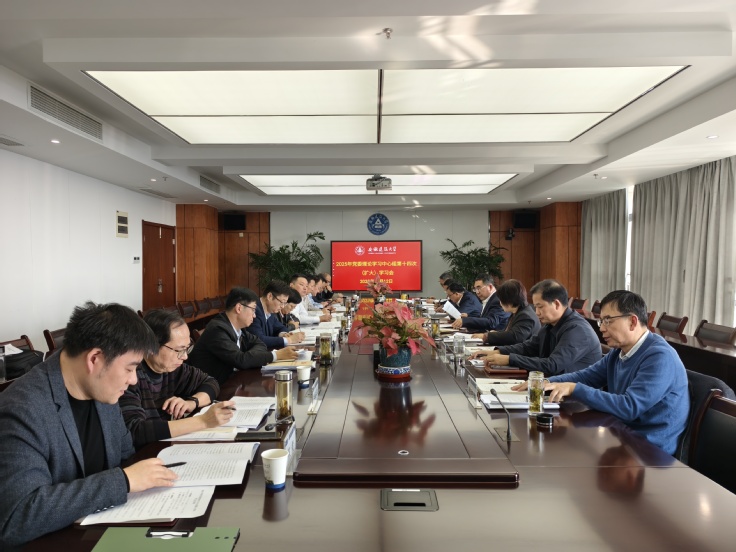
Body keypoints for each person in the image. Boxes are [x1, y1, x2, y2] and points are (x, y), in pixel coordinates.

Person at [0, 302, 180, 548]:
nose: (133, 380)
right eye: (130, 368)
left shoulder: (101, 389)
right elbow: (16, 516)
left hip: (100, 533)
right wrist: (122, 482)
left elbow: (125, 457)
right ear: (95, 358)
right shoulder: (23, 409)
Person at [514, 290, 689, 455]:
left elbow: (629, 407)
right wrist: (547, 382)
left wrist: (574, 389)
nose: (602, 328)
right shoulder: (619, 351)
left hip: (649, 452)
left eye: (608, 320)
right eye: (601, 321)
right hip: (621, 436)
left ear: (632, 321)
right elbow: (586, 376)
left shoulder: (660, 357)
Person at [119, 309, 235, 449]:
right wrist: (203, 421)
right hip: (144, 454)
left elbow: (211, 383)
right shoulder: (130, 376)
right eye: (179, 350)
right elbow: (135, 431)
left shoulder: (173, 368)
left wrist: (192, 402)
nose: (185, 356)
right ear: (151, 346)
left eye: (187, 348)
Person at [482, 279, 600, 376]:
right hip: (552, 384)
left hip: (574, 392)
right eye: (536, 307)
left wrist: (509, 359)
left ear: (556, 304)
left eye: (540, 307)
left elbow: (552, 365)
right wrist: (498, 351)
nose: (537, 312)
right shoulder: (550, 325)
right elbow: (528, 347)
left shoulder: (577, 329)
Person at [188, 287, 297, 385]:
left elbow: (259, 343)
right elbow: (241, 360)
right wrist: (276, 355)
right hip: (211, 389)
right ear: (239, 308)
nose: (254, 315)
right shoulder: (217, 330)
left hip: (231, 382)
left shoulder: (239, 328)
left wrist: (248, 356)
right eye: (253, 309)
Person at [469, 279, 540, 347]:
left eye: (501, 300)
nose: (500, 303)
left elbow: (514, 337)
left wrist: (487, 336)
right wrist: (497, 333)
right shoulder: (517, 312)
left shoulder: (526, 316)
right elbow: (510, 332)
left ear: (509, 300)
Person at [247, 280, 305, 349]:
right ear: (270, 296)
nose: (282, 306)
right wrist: (289, 340)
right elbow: (259, 340)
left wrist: (284, 334)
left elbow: (280, 327)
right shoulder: (254, 311)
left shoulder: (270, 311)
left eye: (285, 303)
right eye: (282, 302)